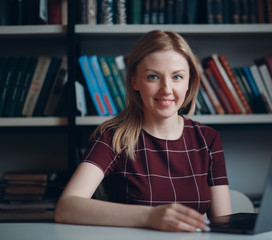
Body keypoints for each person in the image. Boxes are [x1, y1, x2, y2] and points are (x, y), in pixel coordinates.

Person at [55, 30, 232, 232]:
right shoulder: (113, 137)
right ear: (134, 81)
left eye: (177, 77)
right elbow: (66, 207)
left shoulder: (208, 139)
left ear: (189, 82)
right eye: (153, 76)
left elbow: (224, 225)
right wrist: (150, 216)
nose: (166, 89)